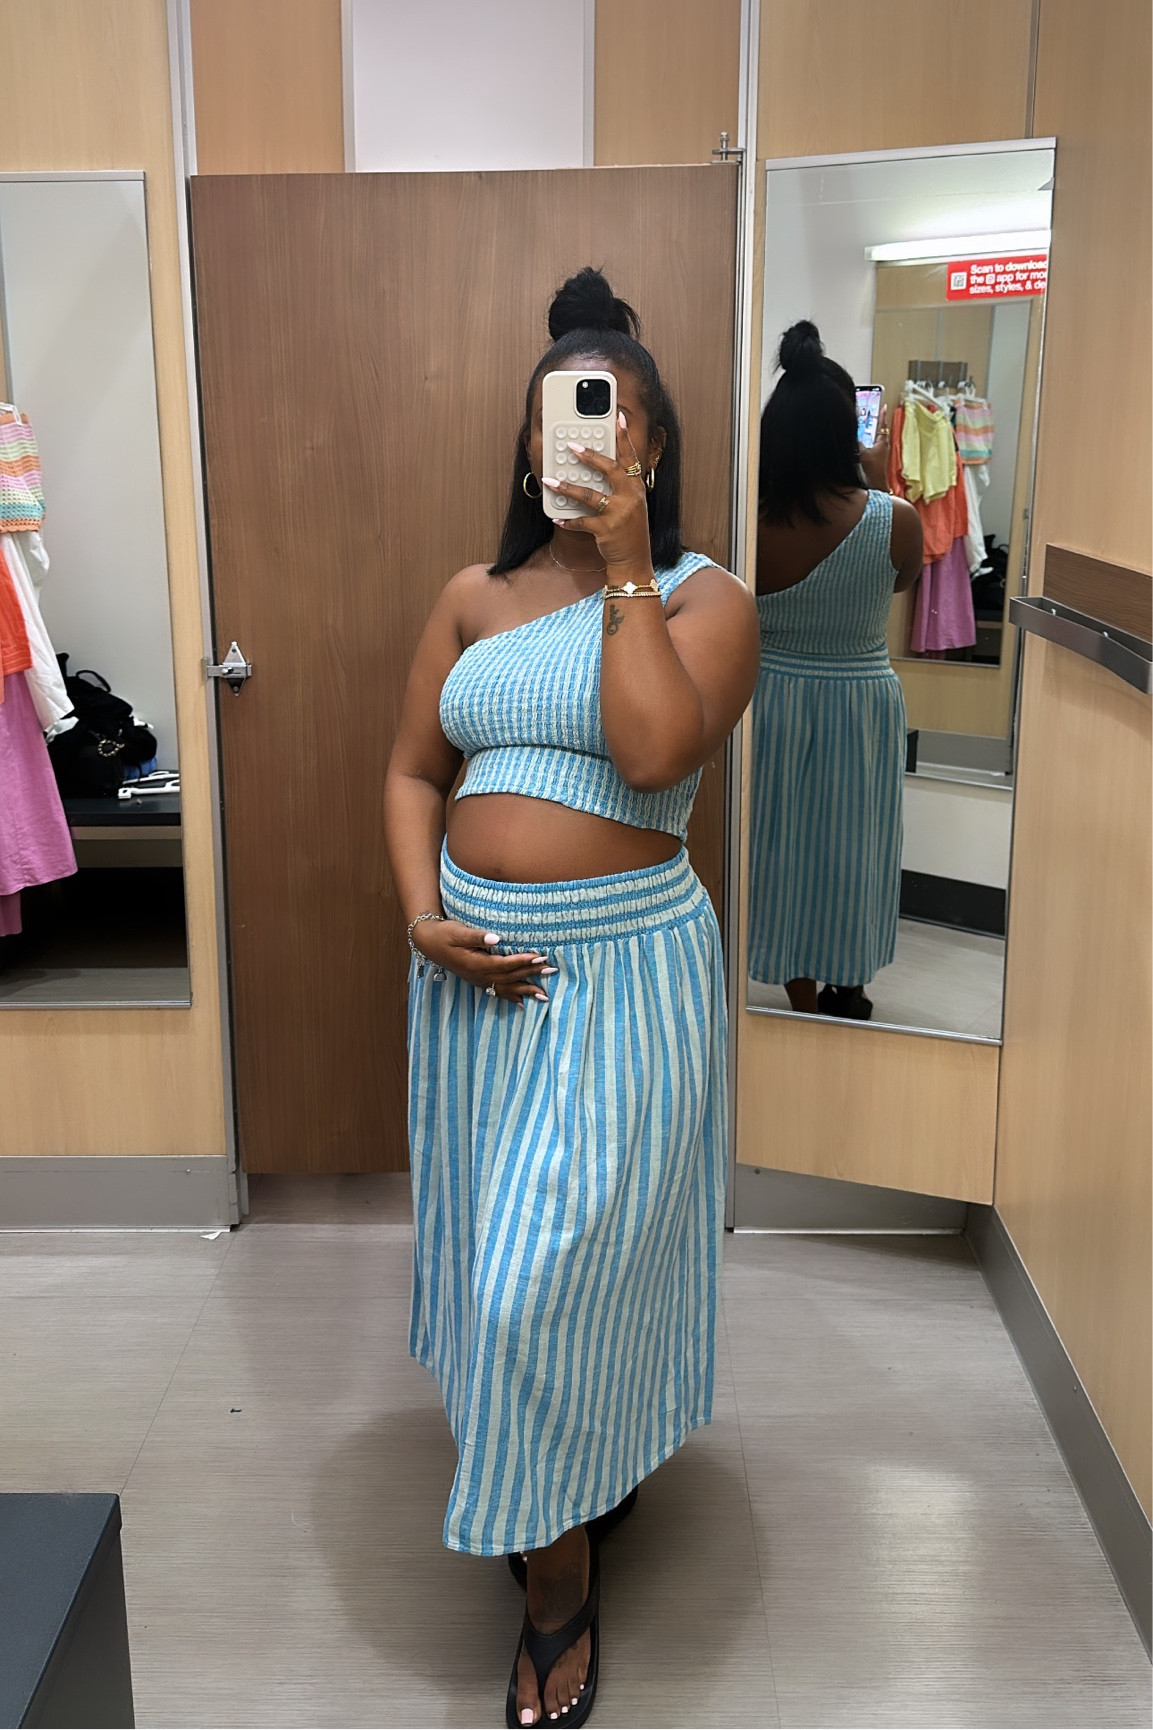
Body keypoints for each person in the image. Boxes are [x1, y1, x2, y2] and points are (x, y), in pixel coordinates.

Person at [384, 267, 759, 1728]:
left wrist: (626, 567)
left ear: (652, 450)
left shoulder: (703, 598)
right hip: (471, 990)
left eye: (614, 422)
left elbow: (656, 753)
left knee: (547, 1278)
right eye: (561, 421)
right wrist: (422, 913)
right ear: (527, 442)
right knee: (500, 1267)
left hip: (621, 983)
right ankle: (564, 1474)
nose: (585, 442)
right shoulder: (470, 597)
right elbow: (411, 770)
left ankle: (557, 1587)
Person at [748, 321, 922, 1020]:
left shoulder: (748, 519)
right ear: (845, 433)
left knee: (777, 847)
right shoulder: (895, 520)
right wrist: (878, 482)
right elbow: (901, 582)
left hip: (767, 698)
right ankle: (846, 987)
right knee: (853, 849)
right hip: (860, 702)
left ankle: (794, 990)